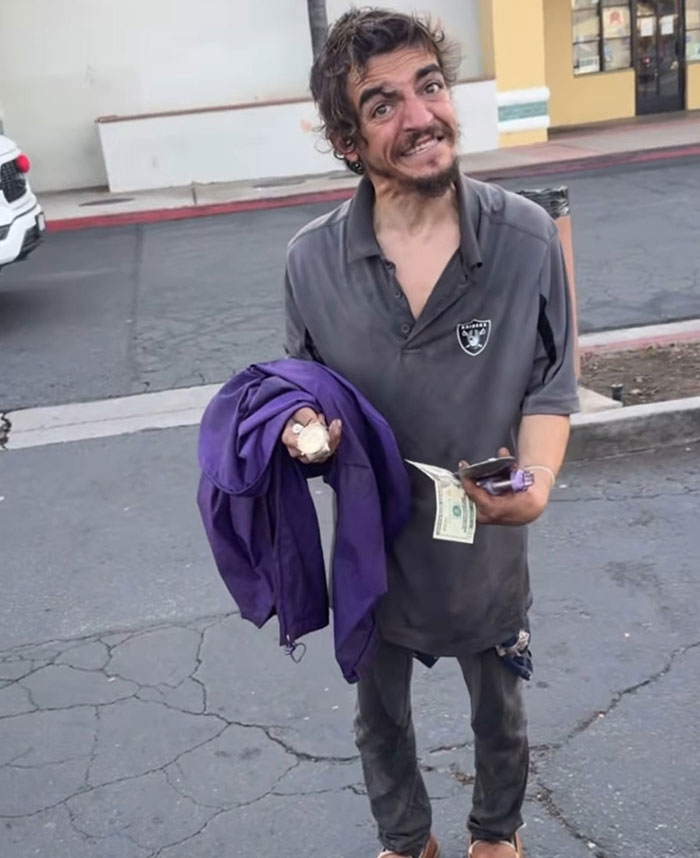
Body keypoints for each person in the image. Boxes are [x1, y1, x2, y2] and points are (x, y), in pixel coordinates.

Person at [281, 8, 579, 858]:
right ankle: (407, 841)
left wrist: (539, 486)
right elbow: (298, 391)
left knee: (500, 714)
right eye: (383, 105)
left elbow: (551, 384)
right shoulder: (310, 262)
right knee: (379, 720)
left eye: (431, 87)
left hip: (486, 544)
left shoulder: (523, 237)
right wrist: (302, 429)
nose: (420, 117)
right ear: (349, 140)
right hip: (374, 552)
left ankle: (495, 836)